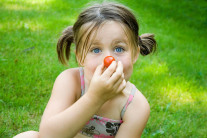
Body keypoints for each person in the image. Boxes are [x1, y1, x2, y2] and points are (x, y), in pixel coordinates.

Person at [14, 2, 157, 138]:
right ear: (80, 57)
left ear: (135, 54)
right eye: (96, 50)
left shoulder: (136, 106)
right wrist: (95, 97)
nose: (108, 60)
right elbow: (47, 135)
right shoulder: (70, 81)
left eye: (119, 49)